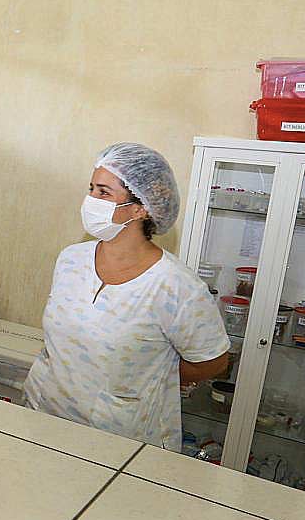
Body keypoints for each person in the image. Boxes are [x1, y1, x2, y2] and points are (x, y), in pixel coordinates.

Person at [25, 143, 229, 451]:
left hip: (120, 438)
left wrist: (150, 374)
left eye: (103, 193)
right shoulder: (71, 260)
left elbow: (212, 362)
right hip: (44, 418)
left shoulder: (176, 286)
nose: (90, 200)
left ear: (140, 208)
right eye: (91, 189)